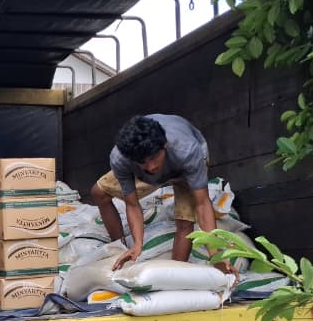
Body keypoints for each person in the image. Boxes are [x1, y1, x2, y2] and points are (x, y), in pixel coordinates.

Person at [89, 114, 228, 271]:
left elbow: (202, 204)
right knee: (98, 192)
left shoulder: (187, 149)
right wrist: (137, 244)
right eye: (142, 162)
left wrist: (215, 255)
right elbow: (132, 204)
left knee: (185, 221)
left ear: (165, 145)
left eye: (154, 157)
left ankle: (175, 273)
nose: (151, 166)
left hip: (183, 170)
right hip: (146, 175)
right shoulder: (121, 159)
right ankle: (120, 250)